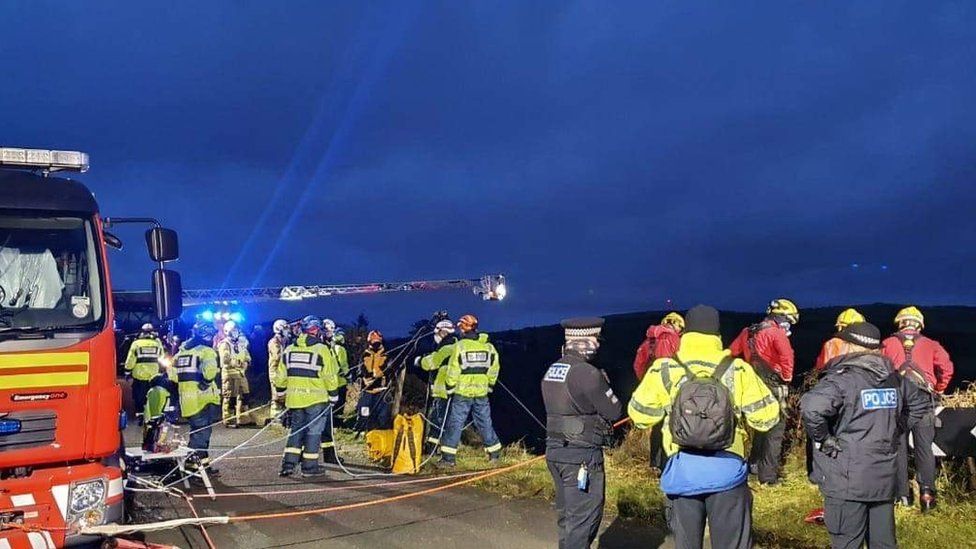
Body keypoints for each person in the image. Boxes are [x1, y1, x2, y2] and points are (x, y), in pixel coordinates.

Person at [629, 305, 780, 549]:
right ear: (717, 336)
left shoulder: (664, 369)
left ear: (686, 333)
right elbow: (767, 417)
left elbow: (639, 416)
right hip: (728, 473)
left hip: (683, 472)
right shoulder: (738, 369)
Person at [802, 321, 930, 548]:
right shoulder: (894, 379)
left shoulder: (843, 378)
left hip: (847, 479)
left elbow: (811, 407)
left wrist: (824, 439)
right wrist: (896, 428)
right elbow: (920, 403)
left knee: (847, 541)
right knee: (883, 542)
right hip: (883, 477)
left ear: (851, 347)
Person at [543, 318, 623, 549]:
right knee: (584, 519)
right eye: (596, 340)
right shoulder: (587, 373)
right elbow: (614, 411)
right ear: (586, 342)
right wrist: (605, 384)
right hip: (582, 457)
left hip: (556, 452)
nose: (598, 345)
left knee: (568, 517)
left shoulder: (554, 369)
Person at [881, 306, 954, 511]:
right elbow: (947, 369)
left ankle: (902, 497)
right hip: (923, 401)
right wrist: (938, 388)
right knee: (924, 449)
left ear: (900, 323)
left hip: (896, 402)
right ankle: (927, 497)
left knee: (898, 448)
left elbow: (878, 370)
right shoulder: (931, 344)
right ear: (919, 324)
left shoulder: (886, 343)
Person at [730, 297, 798, 485]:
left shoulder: (748, 332)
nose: (789, 326)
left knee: (760, 425)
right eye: (789, 321)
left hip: (753, 385)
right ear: (781, 317)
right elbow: (787, 360)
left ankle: (753, 465)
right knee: (775, 430)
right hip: (773, 385)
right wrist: (786, 379)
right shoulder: (776, 334)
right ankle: (768, 477)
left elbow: (731, 352)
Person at [276, 315, 340, 477]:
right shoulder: (322, 349)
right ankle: (309, 468)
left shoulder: (289, 349)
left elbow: (281, 376)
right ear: (317, 330)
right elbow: (330, 376)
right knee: (313, 433)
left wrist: (281, 392)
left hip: (295, 400)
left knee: (296, 431)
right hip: (316, 401)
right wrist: (333, 396)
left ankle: (288, 465)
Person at [438, 314, 503, 467]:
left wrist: (449, 388)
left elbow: (453, 370)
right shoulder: (488, 347)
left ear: (463, 328)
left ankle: (448, 459)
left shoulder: (460, 346)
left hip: (462, 392)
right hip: (481, 393)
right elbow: (494, 369)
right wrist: (489, 385)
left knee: (455, 424)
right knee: (485, 423)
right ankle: (494, 454)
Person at [632, 312, 683, 471]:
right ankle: (669, 464)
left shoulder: (649, 342)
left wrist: (647, 384)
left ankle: (655, 463)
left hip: (653, 390)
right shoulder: (676, 340)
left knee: (657, 425)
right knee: (673, 425)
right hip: (672, 390)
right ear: (679, 326)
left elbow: (638, 366)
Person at [175, 321, 221, 473]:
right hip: (202, 399)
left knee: (197, 432)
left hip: (186, 400)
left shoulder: (181, 353)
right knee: (201, 435)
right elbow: (210, 372)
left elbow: (173, 375)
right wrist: (207, 382)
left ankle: (203, 466)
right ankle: (194, 469)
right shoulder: (206, 351)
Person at [418, 319, 458, 454]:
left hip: (444, 390)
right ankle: (440, 448)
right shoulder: (457, 345)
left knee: (438, 419)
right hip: (455, 390)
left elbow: (432, 363)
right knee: (447, 419)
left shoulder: (446, 347)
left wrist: (419, 360)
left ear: (441, 332)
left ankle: (432, 448)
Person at [125, 323, 166, 426]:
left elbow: (131, 359)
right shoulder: (157, 343)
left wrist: (127, 371)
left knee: (139, 397)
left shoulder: (137, 344)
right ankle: (153, 416)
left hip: (140, 375)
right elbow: (162, 358)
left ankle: (140, 416)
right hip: (154, 376)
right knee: (154, 396)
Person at [353, 330, 392, 436]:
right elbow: (359, 369)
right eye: (373, 341)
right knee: (363, 411)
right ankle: (361, 430)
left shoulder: (386, 354)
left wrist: (379, 376)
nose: (375, 343)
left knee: (382, 414)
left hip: (381, 390)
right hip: (367, 389)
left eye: (377, 341)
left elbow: (389, 370)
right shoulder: (365, 354)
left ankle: (381, 434)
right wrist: (364, 377)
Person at [321, 320, 347, 465]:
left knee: (323, 426)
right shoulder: (323, 348)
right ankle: (327, 457)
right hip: (321, 393)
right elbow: (331, 372)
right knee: (322, 426)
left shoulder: (327, 347)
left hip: (316, 393)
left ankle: (328, 455)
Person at [218, 320, 251, 427]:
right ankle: (229, 419)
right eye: (233, 330)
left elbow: (246, 355)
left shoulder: (240, 343)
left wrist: (246, 362)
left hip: (241, 374)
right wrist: (239, 363)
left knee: (244, 395)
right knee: (230, 397)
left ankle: (243, 418)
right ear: (228, 331)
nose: (236, 332)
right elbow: (225, 359)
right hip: (230, 374)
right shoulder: (225, 344)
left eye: (237, 330)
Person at [267, 319, 290, 421]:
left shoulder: (284, 341)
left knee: (284, 395)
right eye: (285, 328)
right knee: (276, 396)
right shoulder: (274, 342)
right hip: (275, 371)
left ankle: (283, 417)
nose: (287, 331)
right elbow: (277, 357)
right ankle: (275, 417)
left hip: (282, 371)